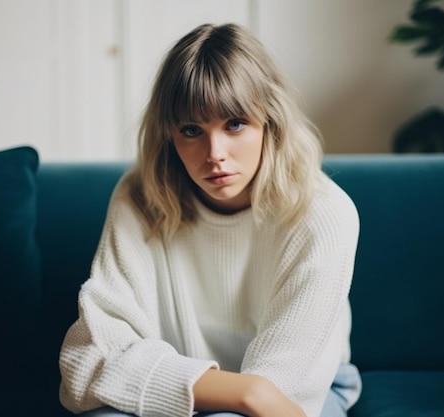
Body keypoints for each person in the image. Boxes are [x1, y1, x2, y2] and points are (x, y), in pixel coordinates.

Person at [59, 22, 361, 417]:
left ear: (270, 120)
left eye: (234, 124)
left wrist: (250, 394)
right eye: (191, 130)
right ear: (169, 135)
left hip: (304, 389)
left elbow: (279, 397)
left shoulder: (323, 214)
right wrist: (245, 390)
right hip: (190, 385)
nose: (214, 153)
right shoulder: (139, 198)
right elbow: (85, 363)